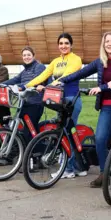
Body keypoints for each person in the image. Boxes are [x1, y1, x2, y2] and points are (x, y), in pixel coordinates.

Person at [58, 31, 111, 188]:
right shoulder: (101, 61)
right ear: (103, 44)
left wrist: (102, 87)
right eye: (107, 42)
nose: (110, 44)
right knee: (99, 138)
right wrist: (61, 81)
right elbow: (80, 73)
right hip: (106, 106)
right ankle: (104, 172)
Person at [25, 33, 85, 178]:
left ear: (71, 45)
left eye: (66, 43)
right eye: (61, 43)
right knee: (63, 132)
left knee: (68, 133)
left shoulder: (76, 59)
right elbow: (42, 75)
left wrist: (46, 87)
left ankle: (69, 169)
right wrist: (27, 86)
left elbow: (66, 76)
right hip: (59, 100)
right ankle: (78, 166)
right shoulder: (55, 61)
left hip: (72, 99)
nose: (63, 46)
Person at [0, 46, 47, 145]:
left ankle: (36, 152)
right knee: (24, 130)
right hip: (24, 103)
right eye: (24, 55)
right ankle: (29, 152)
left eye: (28, 55)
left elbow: (34, 81)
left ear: (33, 56)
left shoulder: (39, 67)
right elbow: (13, 80)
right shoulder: (24, 71)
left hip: (35, 103)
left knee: (30, 131)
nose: (26, 57)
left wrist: (21, 87)